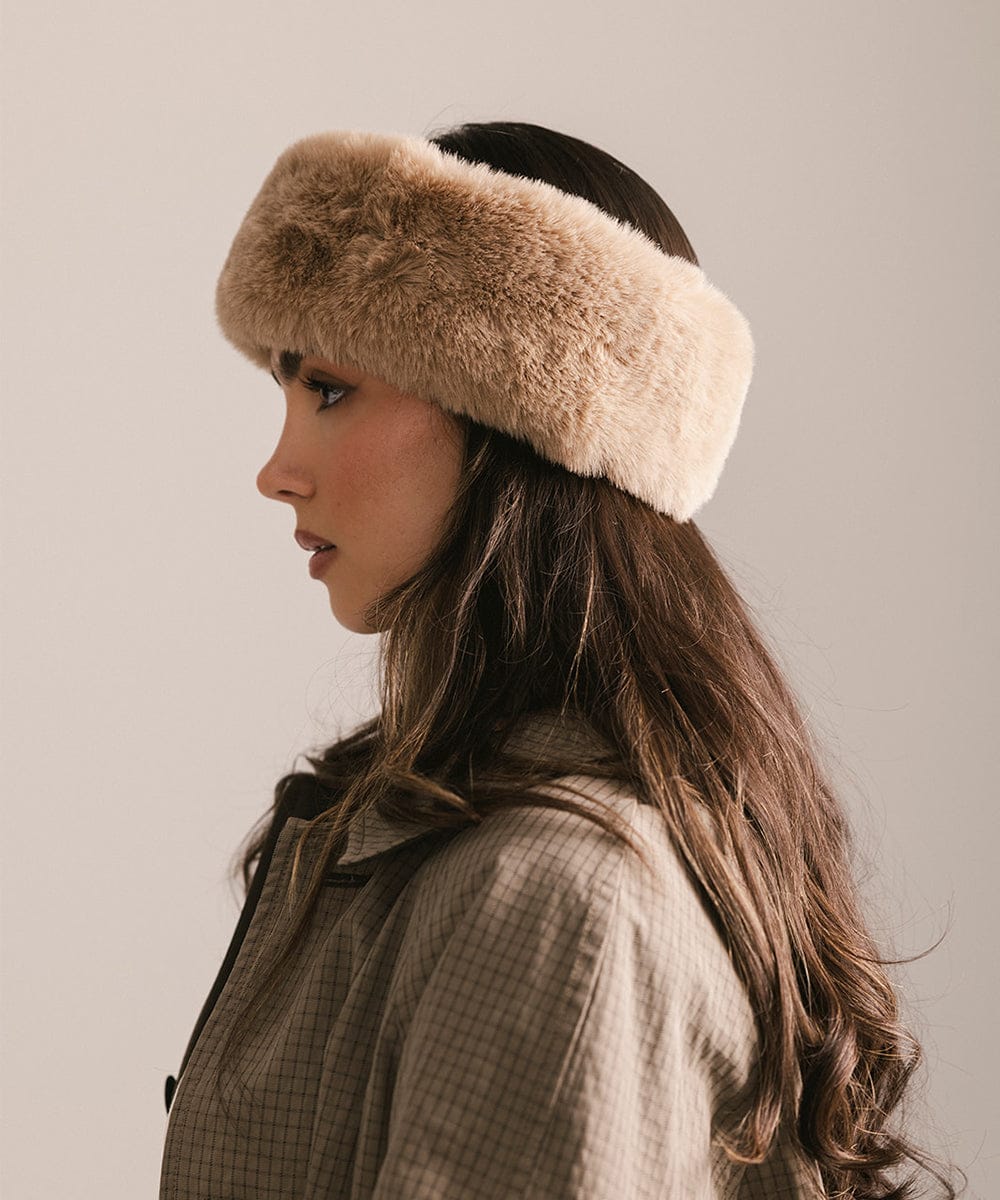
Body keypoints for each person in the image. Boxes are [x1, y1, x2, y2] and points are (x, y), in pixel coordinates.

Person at [158, 122, 958, 1199]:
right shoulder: (452, 833)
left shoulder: (551, 894)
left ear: (517, 413)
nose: (278, 470)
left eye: (331, 389)